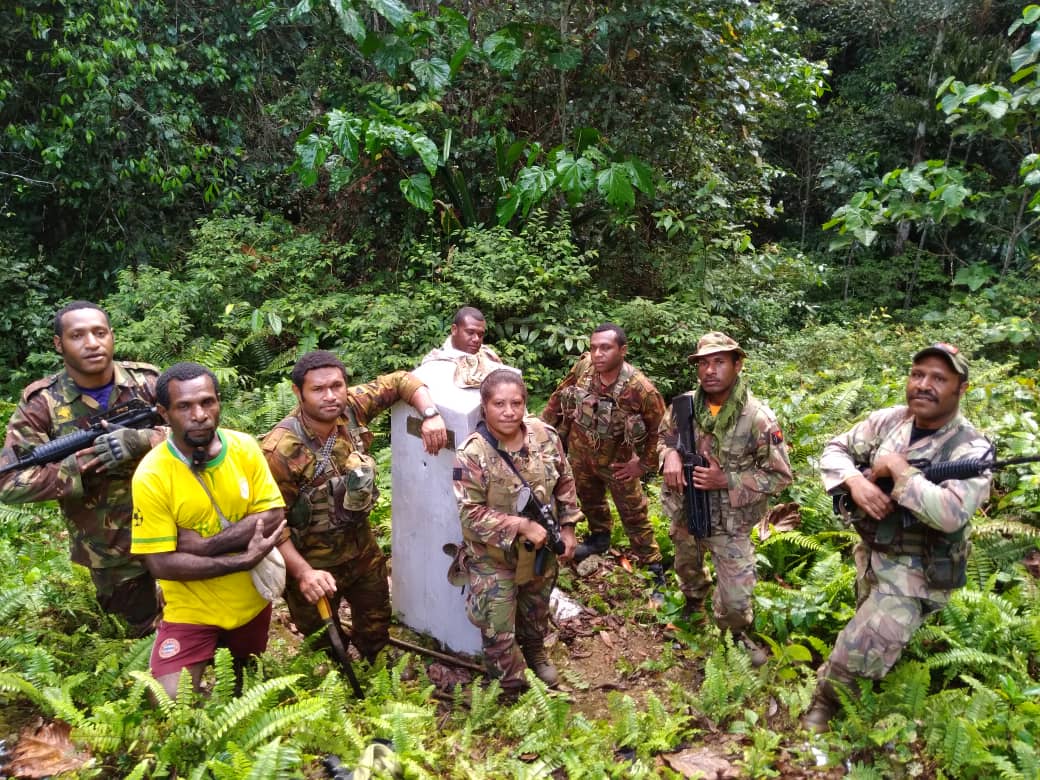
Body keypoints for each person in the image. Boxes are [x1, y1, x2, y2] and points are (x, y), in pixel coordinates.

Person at [803, 343, 992, 732]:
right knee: (869, 622)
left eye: (939, 378)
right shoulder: (889, 421)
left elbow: (951, 513)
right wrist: (855, 481)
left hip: (919, 569)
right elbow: (834, 449)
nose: (924, 385)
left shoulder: (971, 448)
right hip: (874, 550)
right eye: (918, 374)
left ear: (962, 389)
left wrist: (900, 471)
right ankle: (874, 666)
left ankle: (825, 703)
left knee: (858, 648)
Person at [261, 351, 448, 661]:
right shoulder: (279, 453)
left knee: (376, 622)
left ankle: (375, 667)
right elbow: (271, 525)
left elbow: (401, 381)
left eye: (337, 386)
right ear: (298, 392)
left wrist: (430, 414)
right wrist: (305, 574)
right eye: (318, 389)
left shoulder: (350, 408)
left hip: (360, 548)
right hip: (312, 560)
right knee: (324, 639)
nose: (330, 396)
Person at [0, 301, 164, 636]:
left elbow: (205, 434)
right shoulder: (41, 404)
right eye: (77, 335)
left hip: (178, 528)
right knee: (140, 633)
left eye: (99, 332)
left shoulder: (147, 383)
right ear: (59, 344)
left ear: (111, 336)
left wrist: (147, 439)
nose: (92, 343)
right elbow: (10, 481)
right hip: (112, 550)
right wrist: (76, 468)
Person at [130, 362, 289, 697]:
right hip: (191, 611)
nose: (199, 414)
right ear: (164, 413)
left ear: (218, 401)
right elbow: (160, 564)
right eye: (184, 406)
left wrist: (203, 546)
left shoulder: (244, 448)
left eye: (207, 402)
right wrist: (239, 560)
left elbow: (272, 514)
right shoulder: (153, 474)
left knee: (245, 686)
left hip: (252, 605)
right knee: (170, 699)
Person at [659, 331, 792, 666]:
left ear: (737, 364)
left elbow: (779, 476)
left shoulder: (757, 418)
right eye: (703, 363)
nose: (710, 370)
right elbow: (665, 439)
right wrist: (670, 456)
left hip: (730, 522)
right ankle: (693, 605)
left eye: (719, 362)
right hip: (686, 511)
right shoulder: (683, 406)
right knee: (687, 567)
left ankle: (733, 633)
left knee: (735, 600)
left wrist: (727, 479)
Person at [453, 369, 580, 691]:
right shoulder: (472, 453)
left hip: (539, 552)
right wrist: (520, 525)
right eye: (499, 404)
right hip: (493, 557)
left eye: (516, 403)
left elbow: (564, 481)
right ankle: (512, 686)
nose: (509, 412)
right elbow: (470, 514)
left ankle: (535, 653)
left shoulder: (544, 435)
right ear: (485, 407)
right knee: (497, 627)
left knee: (535, 609)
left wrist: (567, 529)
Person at [540, 323, 666, 577]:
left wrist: (642, 465)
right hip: (580, 452)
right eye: (594, 348)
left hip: (617, 462)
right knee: (590, 500)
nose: (598, 354)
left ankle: (653, 567)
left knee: (633, 513)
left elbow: (661, 430)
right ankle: (599, 539)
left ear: (622, 350)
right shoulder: (584, 368)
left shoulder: (640, 389)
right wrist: (543, 430)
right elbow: (560, 395)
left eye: (605, 348)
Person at [422, 306, 502, 363]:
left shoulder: (489, 358)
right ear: (454, 330)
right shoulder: (435, 362)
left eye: (480, 335)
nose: (476, 339)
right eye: (470, 333)